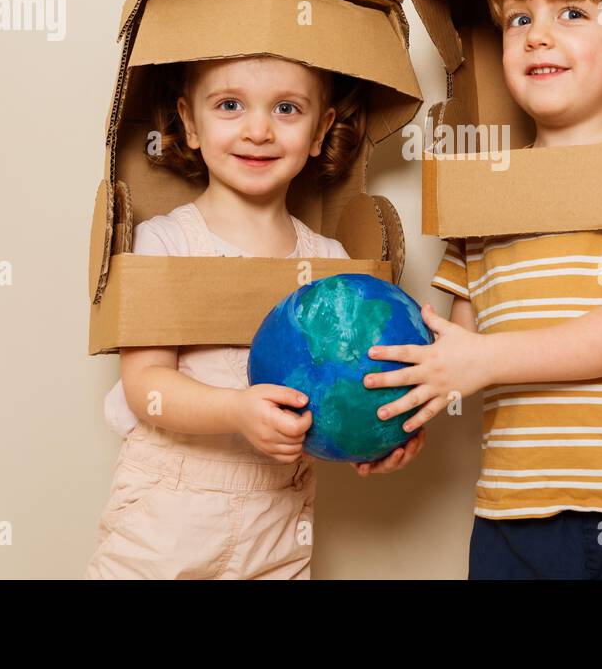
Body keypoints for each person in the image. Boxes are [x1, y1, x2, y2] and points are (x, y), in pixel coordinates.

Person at [367, 0, 602, 579]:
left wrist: (484, 362)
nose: (538, 37)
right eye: (518, 22)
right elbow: (458, 349)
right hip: (515, 513)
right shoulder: (483, 197)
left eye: (575, 14)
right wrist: (401, 416)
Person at [85, 54, 424, 579]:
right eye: (230, 105)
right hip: (168, 510)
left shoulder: (332, 265)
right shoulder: (166, 243)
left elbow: (362, 378)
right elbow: (145, 385)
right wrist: (236, 412)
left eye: (287, 108)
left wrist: (381, 433)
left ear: (320, 130)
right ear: (190, 122)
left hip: (279, 518)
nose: (258, 130)